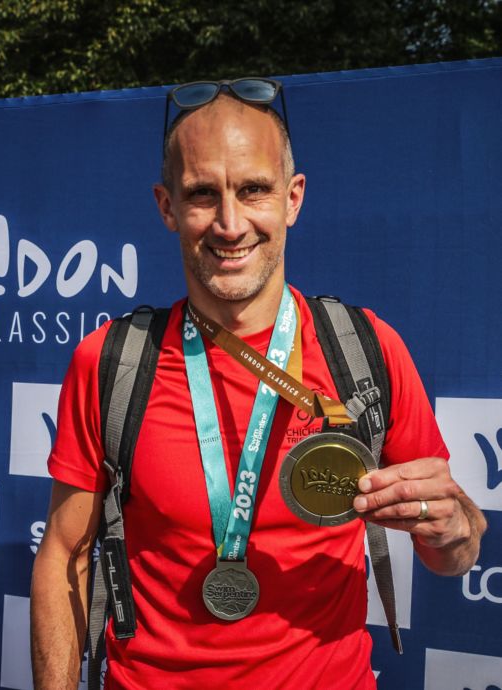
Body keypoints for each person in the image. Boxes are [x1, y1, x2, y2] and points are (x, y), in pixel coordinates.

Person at [30, 79, 487, 689]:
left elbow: (456, 554)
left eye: (253, 190)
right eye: (201, 194)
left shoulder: (367, 349)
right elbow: (65, 554)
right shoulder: (110, 362)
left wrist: (454, 527)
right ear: (166, 207)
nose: (228, 222)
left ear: (292, 198)